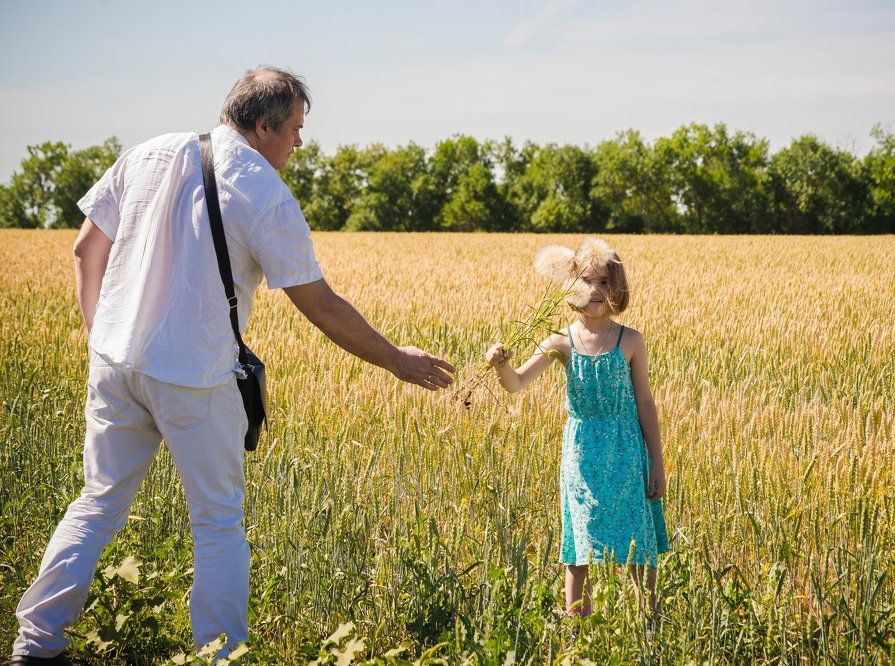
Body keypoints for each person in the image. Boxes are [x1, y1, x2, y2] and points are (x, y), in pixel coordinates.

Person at [10, 66, 455, 664]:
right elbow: (318, 303)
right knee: (216, 523)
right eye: (295, 129)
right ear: (264, 126)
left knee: (96, 501)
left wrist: (100, 335)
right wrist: (395, 359)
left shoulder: (147, 152)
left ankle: (35, 645)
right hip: (194, 377)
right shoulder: (263, 190)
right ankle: (219, 656)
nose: (300, 143)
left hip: (114, 363)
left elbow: (85, 247)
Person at [485, 238, 669, 622]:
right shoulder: (559, 342)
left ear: (616, 287)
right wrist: (501, 365)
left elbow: (645, 403)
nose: (595, 290)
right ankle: (574, 633)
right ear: (571, 286)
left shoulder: (631, 340)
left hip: (628, 454)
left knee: (639, 543)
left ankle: (649, 627)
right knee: (579, 547)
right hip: (582, 456)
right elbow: (516, 383)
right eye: (586, 281)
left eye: (604, 281)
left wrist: (657, 462)